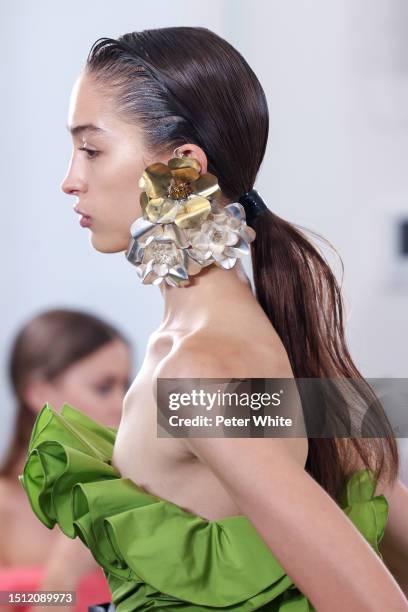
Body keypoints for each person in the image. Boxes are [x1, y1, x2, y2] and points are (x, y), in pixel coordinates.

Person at [20, 26, 408, 611]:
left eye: (92, 149)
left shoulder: (203, 371)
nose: (70, 179)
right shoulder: (243, 344)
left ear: (180, 171)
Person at [1, 308, 132, 611]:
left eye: (126, 385)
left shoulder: (129, 492)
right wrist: (65, 571)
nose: (122, 403)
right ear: (38, 393)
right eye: (103, 387)